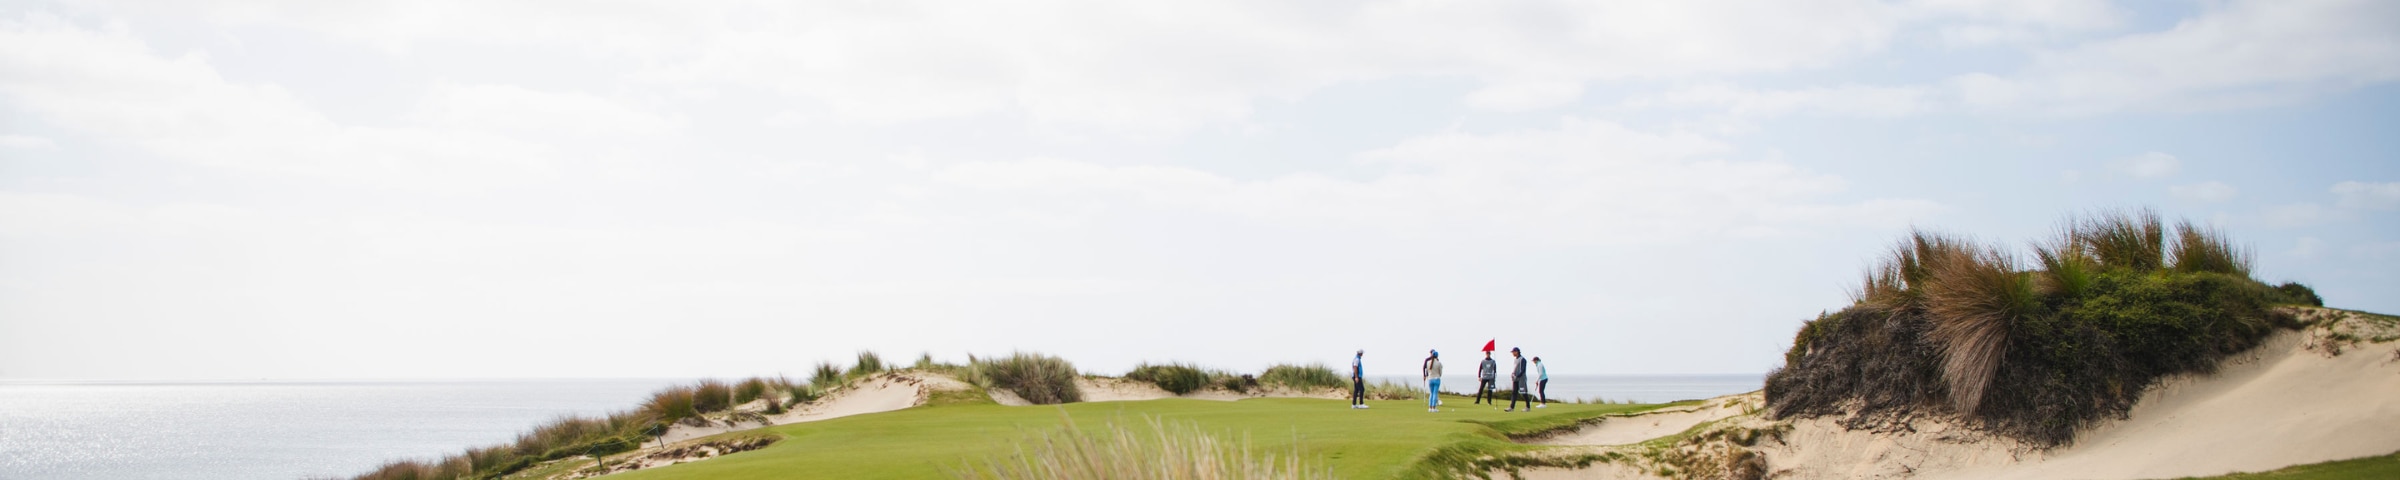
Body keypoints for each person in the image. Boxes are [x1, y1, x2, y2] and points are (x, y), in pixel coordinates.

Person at [1506, 347, 1531, 412]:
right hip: (1515, 379)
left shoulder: (1523, 359)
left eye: (1513, 352)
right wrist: (1513, 374)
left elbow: (1523, 370)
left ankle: (1528, 407)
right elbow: (1515, 368)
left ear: (1517, 352)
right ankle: (1511, 407)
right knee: (1514, 392)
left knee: (1523, 393)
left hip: (1521, 379)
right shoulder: (1515, 360)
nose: (1512, 353)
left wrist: (1517, 376)